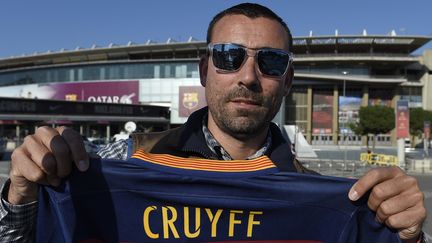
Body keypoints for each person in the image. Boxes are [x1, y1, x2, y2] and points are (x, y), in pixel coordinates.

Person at [0, 3, 426, 242]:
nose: (247, 76)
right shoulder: (116, 163)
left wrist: (406, 235)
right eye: (228, 56)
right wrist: (21, 196)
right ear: (204, 70)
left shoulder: (328, 203)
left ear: (287, 81)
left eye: (271, 62)